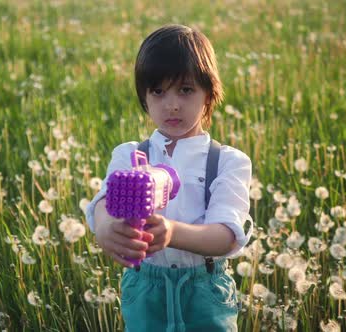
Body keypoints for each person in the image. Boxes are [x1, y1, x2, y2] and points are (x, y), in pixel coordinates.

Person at [84, 24, 253, 332]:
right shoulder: (130, 155)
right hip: (145, 288)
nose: (172, 104)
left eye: (185, 90)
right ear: (144, 98)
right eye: (158, 91)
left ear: (209, 94)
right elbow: (106, 201)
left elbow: (227, 236)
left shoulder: (228, 162)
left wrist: (172, 232)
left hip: (205, 290)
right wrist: (106, 228)